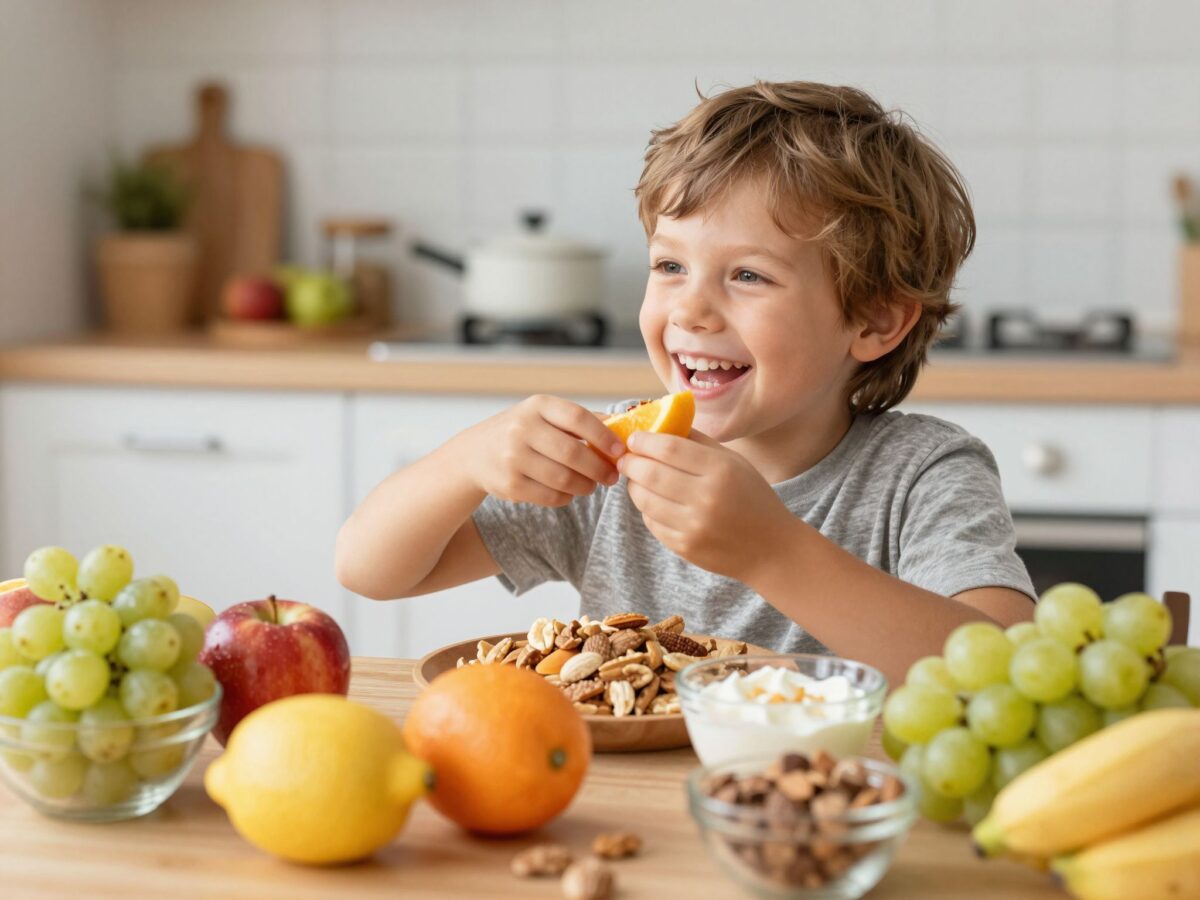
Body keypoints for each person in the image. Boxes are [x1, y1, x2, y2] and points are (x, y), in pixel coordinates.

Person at [336, 81, 1034, 687]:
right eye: (669, 266)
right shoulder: (611, 461)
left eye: (748, 275)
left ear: (875, 321)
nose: (690, 311)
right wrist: (465, 460)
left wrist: (773, 551)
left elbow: (998, 668)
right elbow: (369, 570)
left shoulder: (924, 474)